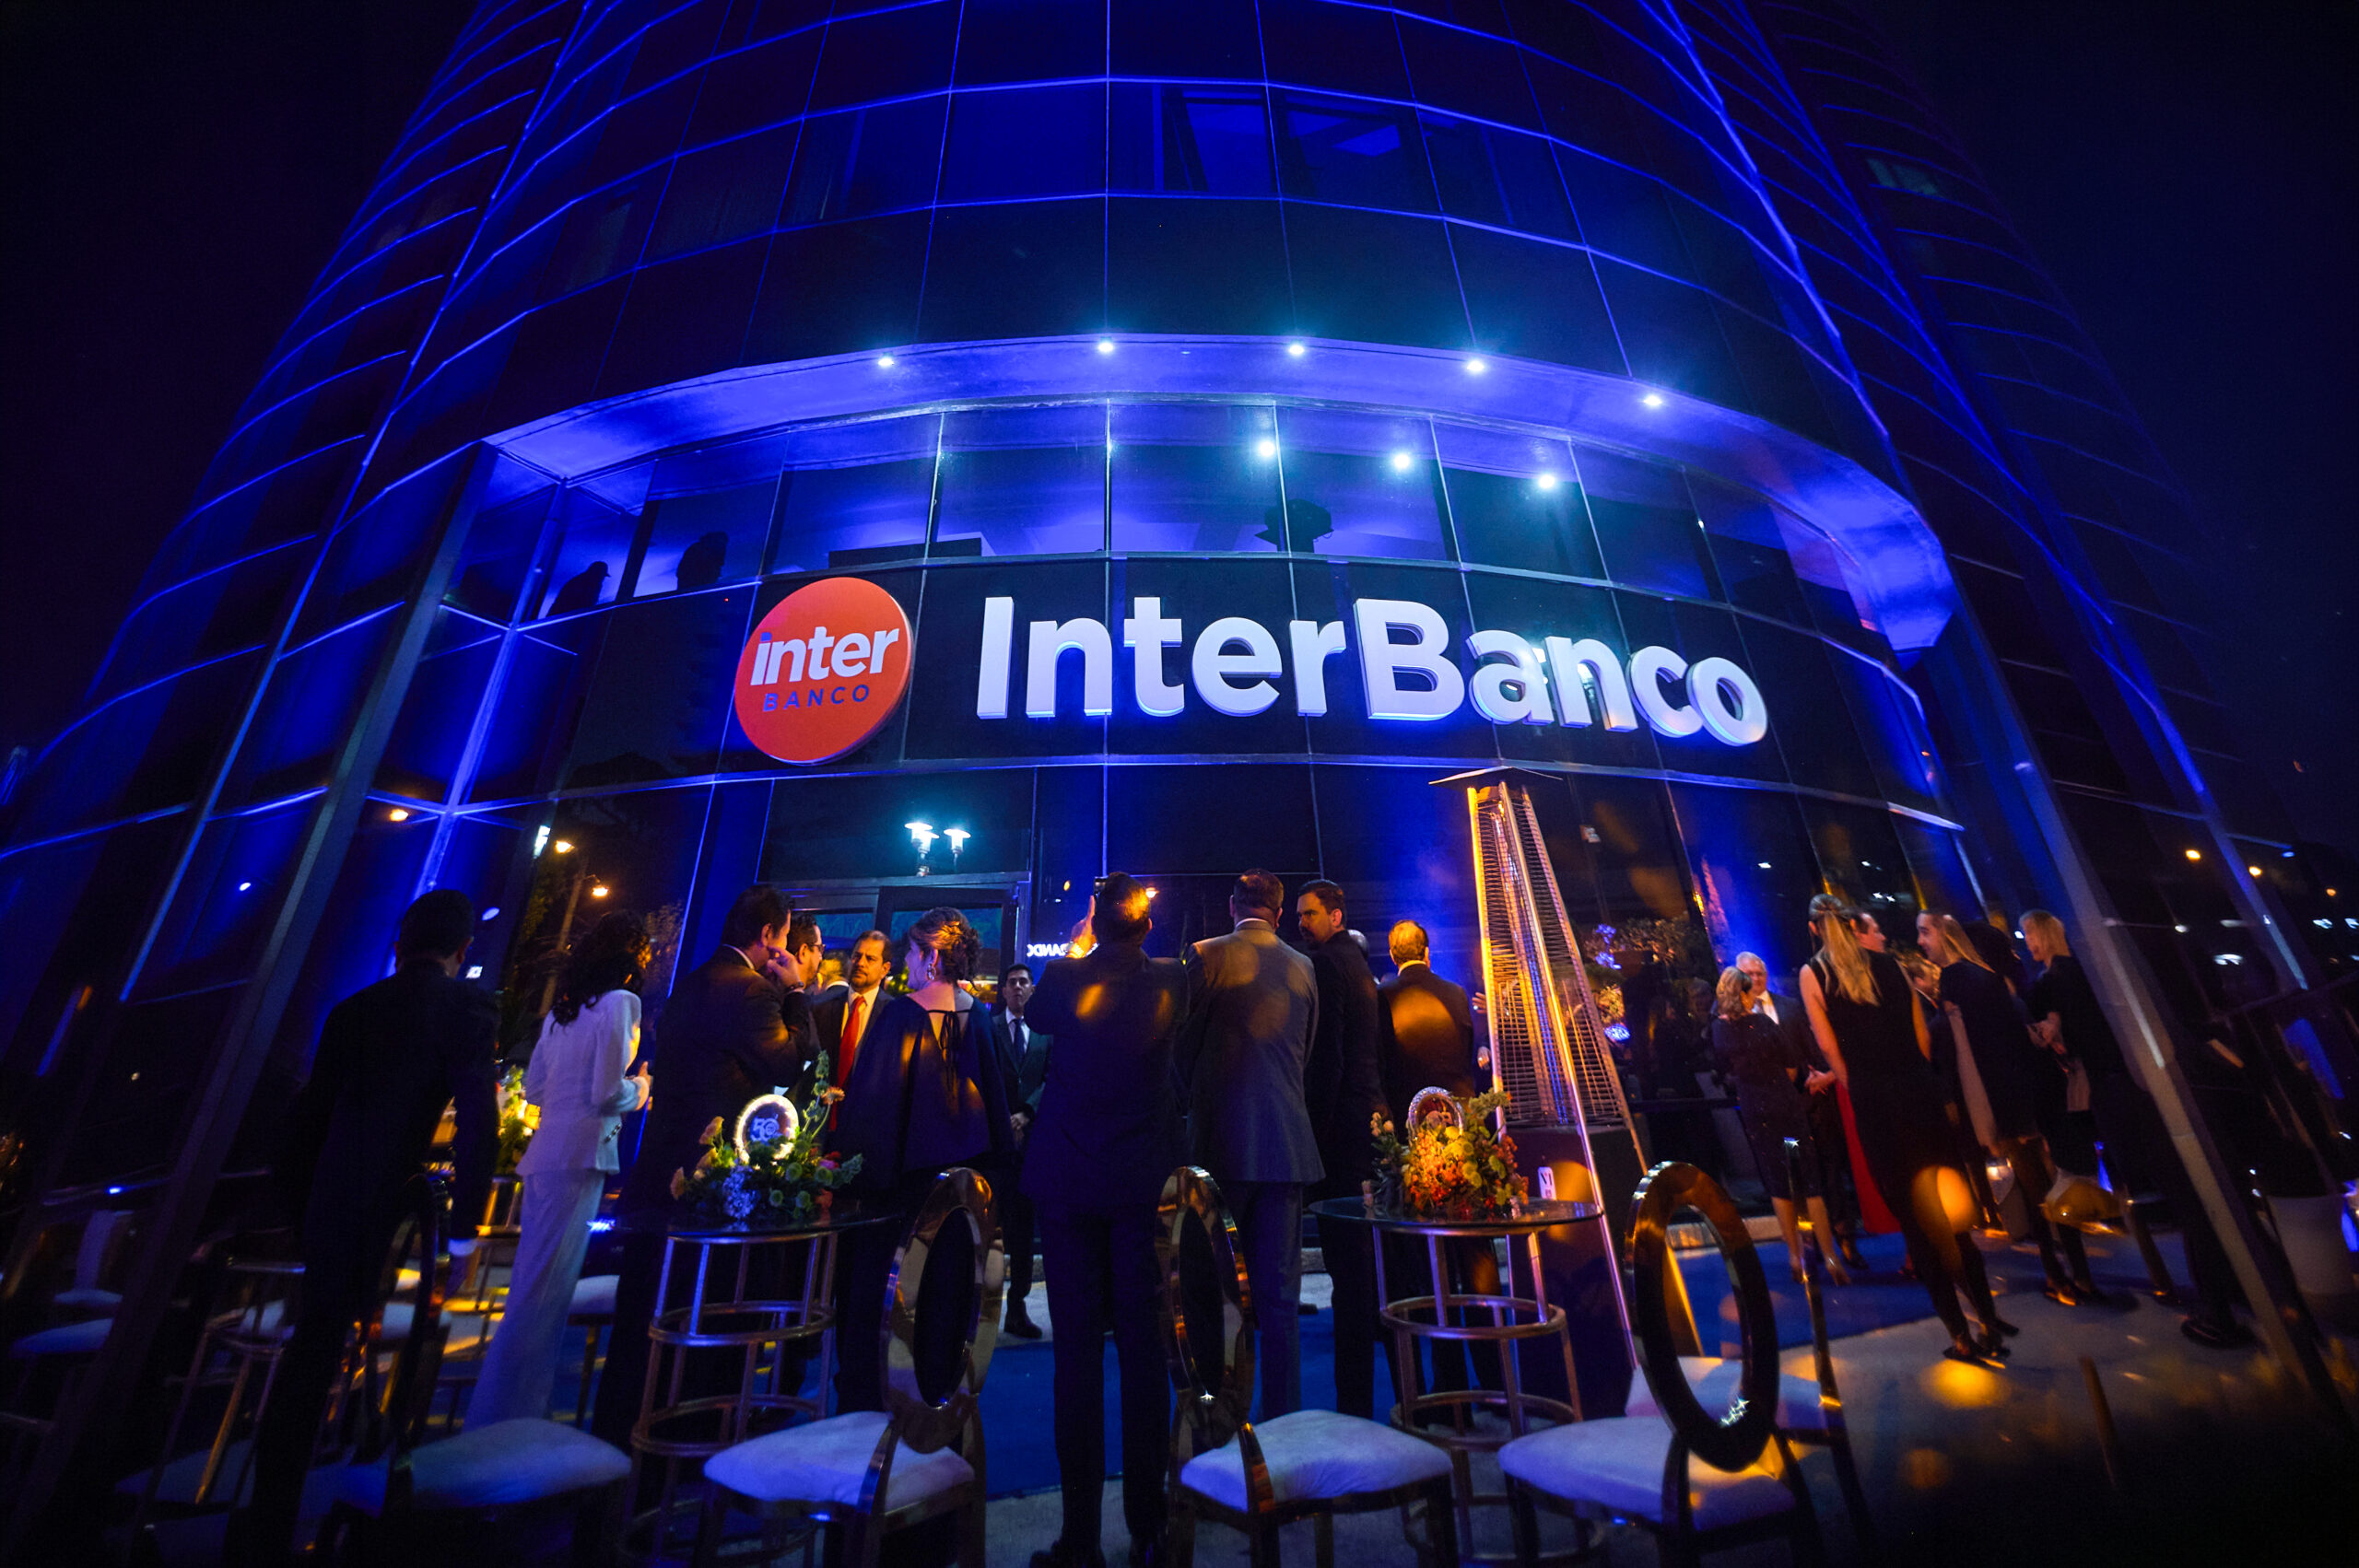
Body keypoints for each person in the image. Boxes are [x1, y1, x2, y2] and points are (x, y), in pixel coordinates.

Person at [241, 890, 499, 1565]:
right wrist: (466, 1230)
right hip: (394, 1197)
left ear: (399, 945)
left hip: (332, 1193)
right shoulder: (466, 1007)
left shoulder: (352, 1008)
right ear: (462, 950)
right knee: (400, 1349)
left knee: (311, 1353)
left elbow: (309, 1118)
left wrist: (296, 1210)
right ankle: (378, 1500)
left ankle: (269, 1519)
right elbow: (479, 1123)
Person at [593, 886, 813, 1447]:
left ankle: (623, 1436)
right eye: (784, 936)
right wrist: (796, 992)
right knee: (704, 1318)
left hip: (657, 1172)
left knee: (644, 1318)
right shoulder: (752, 991)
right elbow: (790, 1065)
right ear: (768, 935)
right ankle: (690, 1443)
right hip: (708, 1185)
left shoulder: (690, 983)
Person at [1021, 876, 1186, 1568]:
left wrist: (1082, 941)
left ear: (1095, 922)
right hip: (1141, 1182)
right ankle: (1149, 1526)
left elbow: (1035, 1016)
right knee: (1145, 1351)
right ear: (1147, 926)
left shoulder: (1063, 976)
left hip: (1068, 1181)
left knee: (1076, 1355)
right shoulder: (1174, 980)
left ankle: (1080, 1539)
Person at [1800, 895, 2011, 1366]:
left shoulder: (1814, 974)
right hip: (1919, 1092)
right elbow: (1921, 1035)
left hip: (1877, 1102)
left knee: (1915, 1224)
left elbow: (1830, 1050)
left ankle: (1960, 1334)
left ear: (1814, 929)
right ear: (1851, 925)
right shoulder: (1891, 965)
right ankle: (1989, 1321)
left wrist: (1860, 1084)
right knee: (1953, 1213)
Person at [2022, 911, 2248, 1347]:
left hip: (2119, 1093)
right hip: (2148, 1082)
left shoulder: (2054, 980)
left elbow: (2072, 1039)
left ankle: (2218, 1309)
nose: (2028, 940)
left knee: (2182, 1196)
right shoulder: (2092, 972)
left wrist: (2053, 1039)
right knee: (2200, 1194)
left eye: (2031, 931)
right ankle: (2237, 1293)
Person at [471, 912, 654, 1424]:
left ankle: (500, 1408)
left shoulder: (563, 1011)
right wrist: (642, 1088)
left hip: (546, 1154)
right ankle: (516, 1417)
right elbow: (606, 1092)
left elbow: (534, 1090)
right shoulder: (621, 1003)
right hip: (580, 1155)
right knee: (548, 1291)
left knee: (530, 1284)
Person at [831, 908, 1014, 1410]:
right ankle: (937, 1411)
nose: (906, 962)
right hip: (962, 1197)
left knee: (884, 1308)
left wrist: (848, 1174)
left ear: (932, 956)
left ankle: (875, 1415)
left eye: (912, 952)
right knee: (947, 1306)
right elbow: (996, 1109)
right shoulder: (978, 1015)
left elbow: (873, 1111)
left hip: (900, 1197)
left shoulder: (900, 1016)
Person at [1177, 869, 1321, 1419]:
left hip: (1220, 1145)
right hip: (1287, 1147)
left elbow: (1182, 1045)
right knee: (1280, 1297)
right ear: (1279, 914)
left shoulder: (1204, 955)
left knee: (1214, 1291)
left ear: (1232, 905)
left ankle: (1218, 1417)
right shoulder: (1303, 966)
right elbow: (1304, 1055)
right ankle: (1284, 1421)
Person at [1918, 912, 2099, 1305]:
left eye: (1925, 932)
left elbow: (1971, 1055)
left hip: (2005, 1101)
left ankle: (2058, 1275)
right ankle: (2078, 1273)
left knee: (2036, 1189)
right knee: (2049, 1184)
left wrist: (1985, 1119)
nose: (1920, 941)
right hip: (2031, 1094)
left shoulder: (1956, 981)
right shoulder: (1995, 982)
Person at [1296, 879, 1385, 1420]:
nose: (1301, 923)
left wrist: (1315, 1130)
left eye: (1310, 914)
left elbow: (1326, 1058)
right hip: (1367, 1126)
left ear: (1335, 915)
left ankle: (1353, 1407)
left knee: (1346, 1272)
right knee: (1364, 1269)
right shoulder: (1358, 963)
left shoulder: (1327, 964)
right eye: (1299, 915)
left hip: (1341, 1133)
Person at [1712, 965, 1847, 1283]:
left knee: (1776, 1182)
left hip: (1754, 1109)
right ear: (1744, 995)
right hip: (1784, 1106)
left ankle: (1795, 1257)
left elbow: (1723, 1068)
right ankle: (1830, 1258)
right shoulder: (1762, 1023)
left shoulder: (1719, 1030)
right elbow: (1790, 1064)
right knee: (1807, 1178)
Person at [1736, 951, 1866, 1269]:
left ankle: (1845, 1238)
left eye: (1760, 972)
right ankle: (1810, 1246)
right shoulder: (1732, 1018)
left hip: (1809, 1103)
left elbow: (1811, 1047)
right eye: (1749, 974)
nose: (1756, 979)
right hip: (1773, 1111)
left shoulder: (1791, 1007)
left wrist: (1821, 1076)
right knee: (1791, 1179)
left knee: (1829, 1172)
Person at [992, 961, 1051, 1339]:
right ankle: (981, 1311)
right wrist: (1005, 1119)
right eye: (1012, 982)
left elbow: (1052, 1077)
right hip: (997, 1145)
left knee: (1024, 1231)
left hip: (1033, 1146)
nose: (1017, 987)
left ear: (1032, 989)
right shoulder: (990, 1028)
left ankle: (1017, 1309)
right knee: (992, 1228)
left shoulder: (1046, 1035)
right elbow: (985, 1077)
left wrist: (1026, 1113)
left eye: (1023, 982)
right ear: (1003, 991)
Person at [1376, 920, 1477, 1120]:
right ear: (1427, 952)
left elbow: (1379, 1059)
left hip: (1409, 1115)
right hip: (1459, 1113)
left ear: (1392, 956)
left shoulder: (1381, 996)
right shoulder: (1456, 993)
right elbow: (1468, 1052)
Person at [816, 929, 893, 1121]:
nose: (860, 963)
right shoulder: (822, 1007)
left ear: (885, 969)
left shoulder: (894, 1014)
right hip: (821, 1118)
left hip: (868, 1120)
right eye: (857, 956)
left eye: (870, 959)